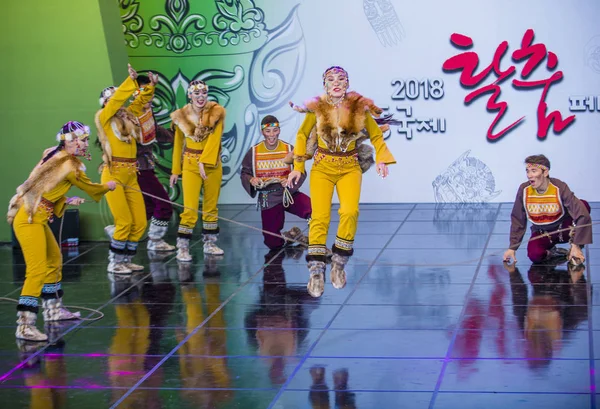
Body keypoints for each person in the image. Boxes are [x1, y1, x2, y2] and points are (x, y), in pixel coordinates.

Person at [287, 66, 396, 297]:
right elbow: (301, 135)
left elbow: (376, 134)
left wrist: (382, 159)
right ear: (324, 84)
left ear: (347, 83)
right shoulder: (316, 108)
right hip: (323, 167)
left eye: (341, 79)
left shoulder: (358, 107)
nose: (336, 82)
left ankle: (338, 263)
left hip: (349, 167)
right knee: (320, 216)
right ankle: (316, 271)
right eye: (330, 79)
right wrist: (298, 166)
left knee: (349, 212)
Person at [7, 121, 116, 341]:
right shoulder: (70, 166)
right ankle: (25, 325)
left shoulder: (54, 155)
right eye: (83, 140)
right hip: (28, 219)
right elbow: (90, 187)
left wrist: (65, 198)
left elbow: (42, 187)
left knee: (54, 259)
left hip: (35, 216)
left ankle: (54, 310)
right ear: (71, 141)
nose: (86, 144)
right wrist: (108, 186)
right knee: (37, 270)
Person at [103, 74, 176, 253]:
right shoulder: (110, 119)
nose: (149, 99)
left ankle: (124, 236)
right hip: (131, 170)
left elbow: (155, 130)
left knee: (148, 208)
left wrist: (177, 136)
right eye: (143, 94)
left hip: (139, 169)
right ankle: (152, 239)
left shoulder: (135, 115)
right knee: (162, 204)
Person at [95, 64, 153, 275]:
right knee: (124, 221)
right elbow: (118, 101)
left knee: (139, 222)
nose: (117, 104)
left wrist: (148, 87)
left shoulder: (127, 118)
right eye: (111, 100)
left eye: (117, 99)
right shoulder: (104, 117)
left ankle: (126, 260)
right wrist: (130, 82)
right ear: (106, 103)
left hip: (131, 174)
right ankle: (115, 262)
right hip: (113, 175)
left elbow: (138, 104)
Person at [169, 80, 226, 261]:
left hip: (211, 164)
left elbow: (215, 139)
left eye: (203, 93)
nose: (201, 97)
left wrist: (205, 161)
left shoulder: (216, 112)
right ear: (189, 95)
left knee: (211, 205)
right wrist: (175, 170)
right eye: (197, 93)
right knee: (190, 208)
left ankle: (210, 243)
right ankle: (183, 248)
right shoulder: (181, 116)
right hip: (190, 164)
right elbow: (178, 144)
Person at [503, 154, 592, 265]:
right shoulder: (524, 189)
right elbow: (518, 218)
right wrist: (512, 247)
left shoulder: (559, 187)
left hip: (564, 229)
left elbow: (580, 213)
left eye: (534, 171)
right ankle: (554, 253)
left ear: (545, 172)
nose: (529, 175)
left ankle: (575, 248)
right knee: (534, 255)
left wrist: (576, 244)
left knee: (583, 205)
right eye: (527, 171)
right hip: (543, 233)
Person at [240, 115, 311, 250]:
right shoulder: (254, 151)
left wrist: (290, 181)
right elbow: (245, 172)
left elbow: (301, 171)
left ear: (279, 130)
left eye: (275, 130)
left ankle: (317, 244)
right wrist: (252, 179)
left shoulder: (289, 149)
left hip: (289, 193)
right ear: (263, 132)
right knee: (272, 242)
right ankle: (290, 235)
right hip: (269, 197)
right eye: (268, 131)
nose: (272, 135)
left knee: (314, 211)